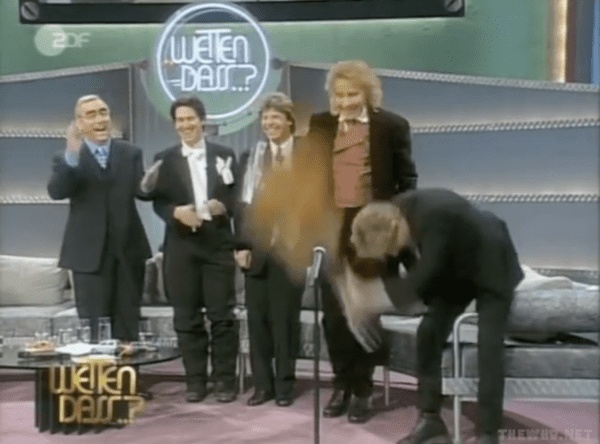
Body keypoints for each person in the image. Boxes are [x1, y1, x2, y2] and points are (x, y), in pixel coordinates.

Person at [349, 188, 524, 444]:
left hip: (491, 259)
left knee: (488, 343)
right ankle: (430, 420)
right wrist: (369, 308)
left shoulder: (435, 215)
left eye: (390, 248)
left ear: (396, 229)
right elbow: (391, 276)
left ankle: (488, 432)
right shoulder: (386, 219)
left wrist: (370, 304)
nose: (391, 254)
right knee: (428, 332)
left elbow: (426, 275)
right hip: (453, 266)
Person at [305, 60, 418, 423]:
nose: (345, 102)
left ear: (368, 94)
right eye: (339, 95)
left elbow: (407, 180)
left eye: (352, 94)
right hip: (333, 228)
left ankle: (363, 389)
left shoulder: (392, 126)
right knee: (334, 313)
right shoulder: (321, 125)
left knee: (365, 310)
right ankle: (341, 383)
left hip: (372, 231)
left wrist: (391, 222)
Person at [150, 96, 240, 403]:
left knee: (222, 317)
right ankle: (196, 382)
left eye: (190, 119)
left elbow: (237, 198)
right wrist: (175, 212)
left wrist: (222, 206)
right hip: (181, 247)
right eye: (180, 120)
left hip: (217, 246)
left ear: (202, 120)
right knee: (186, 318)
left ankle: (225, 381)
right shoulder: (164, 159)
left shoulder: (225, 155)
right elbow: (157, 201)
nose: (186, 125)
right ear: (175, 124)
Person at [47, 94, 152, 343]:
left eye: (103, 112)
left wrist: (154, 181)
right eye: (91, 115)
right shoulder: (67, 158)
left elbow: (142, 191)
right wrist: (72, 154)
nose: (100, 119)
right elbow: (57, 191)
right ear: (79, 124)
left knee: (128, 329)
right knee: (95, 331)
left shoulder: (130, 153)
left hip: (128, 252)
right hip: (88, 256)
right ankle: (98, 369)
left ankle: (128, 367)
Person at [235, 93, 305, 407]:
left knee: (285, 322)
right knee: (258, 322)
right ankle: (262, 386)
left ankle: (285, 385)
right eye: (265, 118)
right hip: (258, 251)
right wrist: (241, 245)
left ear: (289, 120)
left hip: (291, 250)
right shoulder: (252, 156)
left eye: (275, 117)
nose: (269, 123)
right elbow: (242, 205)